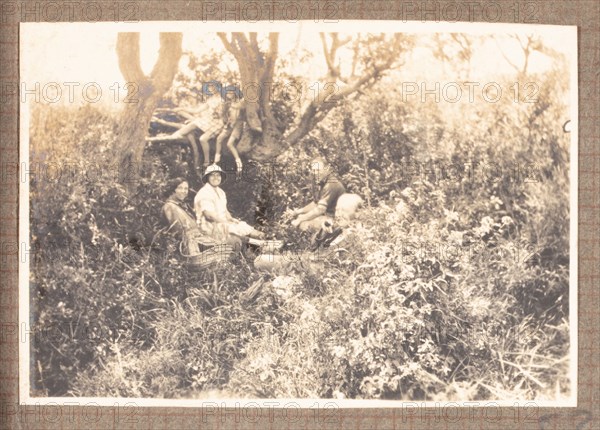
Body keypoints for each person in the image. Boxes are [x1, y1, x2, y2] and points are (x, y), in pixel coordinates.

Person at [194, 164, 272, 249]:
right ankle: (261, 244)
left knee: (244, 226)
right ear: (207, 178)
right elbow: (209, 216)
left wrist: (231, 219)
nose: (215, 177)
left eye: (218, 175)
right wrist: (226, 222)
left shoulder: (221, 192)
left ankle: (269, 241)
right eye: (212, 175)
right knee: (235, 232)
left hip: (221, 223)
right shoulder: (205, 193)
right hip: (209, 227)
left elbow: (225, 210)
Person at [162, 178, 223, 257]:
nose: (184, 191)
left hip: (196, 238)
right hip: (186, 243)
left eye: (186, 189)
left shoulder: (182, 206)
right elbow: (180, 231)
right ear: (173, 190)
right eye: (180, 188)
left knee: (222, 247)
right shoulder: (169, 206)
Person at [290, 157, 347, 232]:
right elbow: (316, 204)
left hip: (338, 220)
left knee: (304, 224)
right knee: (300, 218)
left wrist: (301, 218)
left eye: (318, 170)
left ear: (326, 170)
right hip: (329, 216)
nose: (315, 173)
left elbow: (320, 209)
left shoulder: (331, 184)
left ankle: (317, 242)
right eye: (314, 170)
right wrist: (298, 212)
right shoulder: (322, 183)